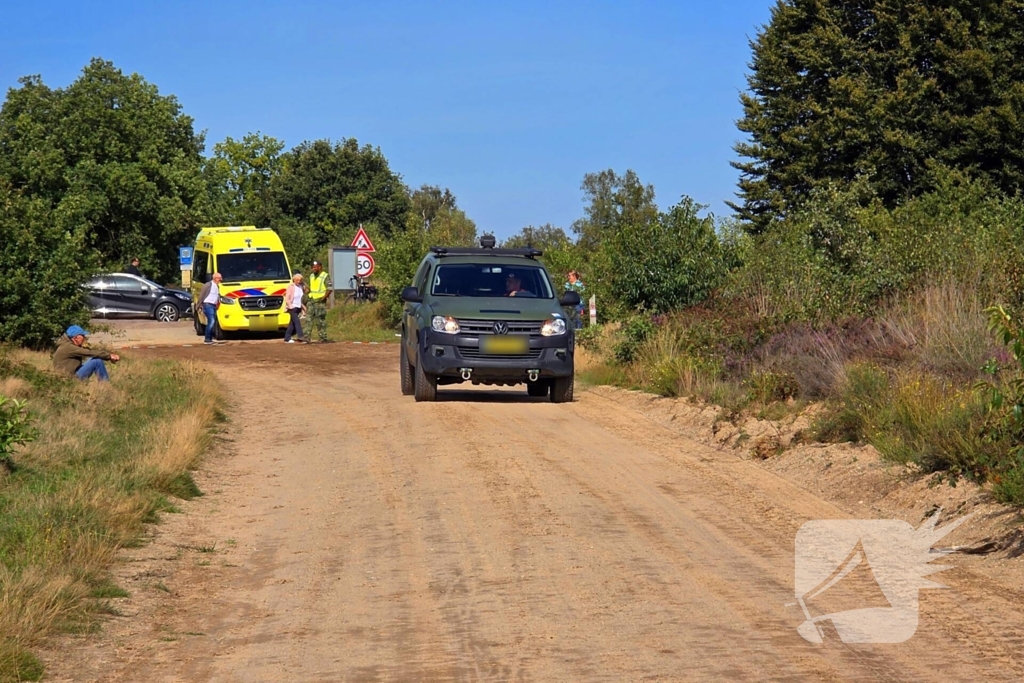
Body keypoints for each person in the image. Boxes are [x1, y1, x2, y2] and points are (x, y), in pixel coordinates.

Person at [52, 325, 120, 381]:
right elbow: (90, 353)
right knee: (97, 361)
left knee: (95, 358)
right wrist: (109, 356)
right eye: (83, 336)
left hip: (66, 377)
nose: (84, 338)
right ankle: (105, 385)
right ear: (76, 338)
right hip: (70, 379)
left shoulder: (66, 344)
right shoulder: (69, 347)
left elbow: (87, 352)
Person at [306, 260, 332, 342]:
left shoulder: (325, 276)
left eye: (315, 267)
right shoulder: (311, 276)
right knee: (308, 319)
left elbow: (329, 289)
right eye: (312, 267)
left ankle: (323, 337)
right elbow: (310, 287)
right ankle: (306, 337)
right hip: (312, 300)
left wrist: (324, 298)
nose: (313, 268)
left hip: (320, 301)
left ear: (320, 267)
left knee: (320, 320)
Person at [198, 272, 223, 345]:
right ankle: (207, 339)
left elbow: (217, 296)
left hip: (213, 305)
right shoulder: (208, 285)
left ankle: (209, 338)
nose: (221, 279)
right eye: (220, 278)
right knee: (211, 321)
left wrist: (218, 303)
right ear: (215, 278)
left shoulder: (217, 286)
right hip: (207, 305)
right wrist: (199, 305)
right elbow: (202, 295)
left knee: (212, 321)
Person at [284, 272, 306, 343]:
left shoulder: (301, 286)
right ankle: (301, 336)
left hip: (299, 307)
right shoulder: (291, 287)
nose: (299, 282)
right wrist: (290, 306)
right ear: (294, 280)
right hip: (292, 308)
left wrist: (303, 308)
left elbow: (303, 296)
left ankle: (287, 337)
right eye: (297, 280)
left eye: (300, 280)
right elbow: (287, 298)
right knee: (297, 322)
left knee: (292, 323)